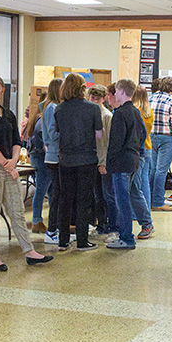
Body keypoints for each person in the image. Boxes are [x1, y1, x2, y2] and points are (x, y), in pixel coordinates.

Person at [0, 74, 53, 269]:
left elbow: (17, 141)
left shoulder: (8, 114)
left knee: (17, 211)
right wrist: (5, 163)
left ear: (3, 91)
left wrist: (13, 161)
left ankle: (29, 250)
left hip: (9, 165)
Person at [53, 73, 104, 251]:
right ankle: (82, 241)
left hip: (65, 160)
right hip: (86, 159)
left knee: (65, 200)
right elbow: (99, 135)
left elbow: (58, 132)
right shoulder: (92, 108)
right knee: (84, 200)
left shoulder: (59, 109)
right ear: (83, 88)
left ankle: (63, 240)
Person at [107, 79, 144, 249]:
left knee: (121, 201)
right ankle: (126, 235)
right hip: (133, 159)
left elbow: (115, 142)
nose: (114, 93)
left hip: (121, 162)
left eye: (115, 90)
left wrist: (108, 163)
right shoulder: (136, 112)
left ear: (121, 91)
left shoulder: (120, 114)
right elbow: (142, 135)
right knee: (125, 198)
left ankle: (126, 237)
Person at [41, 78, 68, 245]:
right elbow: (53, 134)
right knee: (57, 195)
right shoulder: (51, 108)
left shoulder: (53, 107)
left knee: (58, 194)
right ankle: (51, 230)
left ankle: (57, 228)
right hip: (54, 156)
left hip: (57, 155)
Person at [148, 76, 172, 211]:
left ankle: (149, 200)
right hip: (167, 138)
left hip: (151, 136)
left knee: (152, 170)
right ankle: (158, 202)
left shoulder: (150, 99)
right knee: (161, 171)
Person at [89, 84, 117, 237]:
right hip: (91, 160)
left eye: (97, 98)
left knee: (107, 195)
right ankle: (100, 223)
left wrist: (103, 162)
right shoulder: (88, 114)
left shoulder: (107, 116)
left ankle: (110, 224)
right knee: (97, 195)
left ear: (104, 99)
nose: (94, 101)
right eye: (92, 98)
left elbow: (107, 143)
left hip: (102, 160)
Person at [129, 85, 155, 239]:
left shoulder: (135, 112)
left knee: (136, 186)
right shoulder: (148, 112)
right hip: (148, 147)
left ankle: (141, 216)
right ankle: (146, 213)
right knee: (143, 183)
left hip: (139, 150)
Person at [25, 88, 52, 234]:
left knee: (46, 190)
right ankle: (36, 220)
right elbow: (41, 139)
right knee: (41, 190)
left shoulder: (36, 117)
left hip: (37, 157)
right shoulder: (43, 118)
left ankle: (44, 220)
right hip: (42, 158)